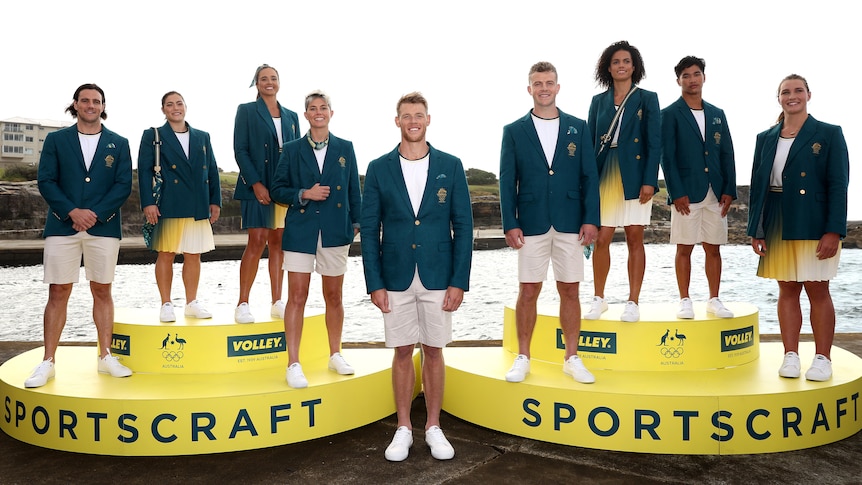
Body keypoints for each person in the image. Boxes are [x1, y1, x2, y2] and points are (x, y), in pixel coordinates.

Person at [361, 92, 472, 462]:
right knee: (403, 351)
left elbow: (463, 226)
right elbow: (369, 227)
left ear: (428, 120)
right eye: (406, 115)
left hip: (439, 275)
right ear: (397, 121)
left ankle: (434, 427)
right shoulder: (378, 168)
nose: (413, 121)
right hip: (394, 277)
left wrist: (459, 280)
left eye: (419, 115)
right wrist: (374, 283)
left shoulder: (451, 165)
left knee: (435, 350)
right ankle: (404, 428)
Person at [26, 83, 133, 388]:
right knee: (58, 292)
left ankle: (106, 356)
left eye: (96, 101)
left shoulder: (119, 143)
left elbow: (122, 185)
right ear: (75, 104)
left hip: (104, 226)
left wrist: (95, 214)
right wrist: (72, 211)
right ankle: (48, 361)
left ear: (103, 106)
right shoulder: (57, 140)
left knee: (102, 290)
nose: (90, 105)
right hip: (63, 225)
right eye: (84, 100)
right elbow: (46, 180)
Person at [499, 62, 600, 385]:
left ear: (558, 87)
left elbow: (590, 177)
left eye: (549, 82)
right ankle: (523, 356)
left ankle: (572, 357)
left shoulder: (578, 127)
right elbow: (506, 181)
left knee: (570, 289)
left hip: (571, 222)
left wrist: (591, 219)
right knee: (528, 290)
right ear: (529, 89)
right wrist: (510, 223)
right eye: (538, 83)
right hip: (530, 223)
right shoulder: (514, 131)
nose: (544, 88)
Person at [748, 74, 849, 381]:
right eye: (785, 92)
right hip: (777, 218)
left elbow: (838, 184)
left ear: (808, 94)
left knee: (817, 289)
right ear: (778, 98)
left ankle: (822, 358)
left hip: (814, 220)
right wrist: (757, 229)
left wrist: (834, 230)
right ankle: (790, 355)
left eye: (798, 90)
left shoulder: (829, 133)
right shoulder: (765, 138)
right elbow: (758, 186)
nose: (792, 96)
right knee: (787, 289)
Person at [270, 91, 361, 388]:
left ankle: (336, 354)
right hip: (301, 232)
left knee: (334, 296)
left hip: (336, 232)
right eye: (313, 108)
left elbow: (353, 192)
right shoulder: (292, 149)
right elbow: (277, 189)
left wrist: (356, 223)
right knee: (297, 297)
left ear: (331, 113)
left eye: (324, 108)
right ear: (306, 115)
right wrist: (304, 194)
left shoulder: (346, 148)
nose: (318, 112)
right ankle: (293, 363)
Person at [586, 40, 661, 323]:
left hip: (636, 173)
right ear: (608, 67)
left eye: (626, 61)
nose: (621, 66)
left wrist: (649, 181)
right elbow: (590, 142)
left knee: (634, 237)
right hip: (605, 172)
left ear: (634, 66)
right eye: (616, 61)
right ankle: (599, 298)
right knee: (601, 237)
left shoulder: (647, 98)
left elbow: (655, 143)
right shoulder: (597, 102)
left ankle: (633, 301)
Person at [660, 56, 736, 320]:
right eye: (686, 76)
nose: (692, 80)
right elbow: (666, 157)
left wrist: (729, 189)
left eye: (696, 74)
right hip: (686, 193)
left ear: (704, 76)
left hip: (716, 191)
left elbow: (727, 153)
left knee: (713, 247)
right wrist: (675, 192)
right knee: (684, 247)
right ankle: (685, 299)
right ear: (678, 80)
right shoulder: (669, 114)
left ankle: (714, 299)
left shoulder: (717, 114)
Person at [138, 91, 222, 322]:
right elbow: (144, 172)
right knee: (165, 253)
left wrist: (215, 201)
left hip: (197, 202)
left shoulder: (202, 136)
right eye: (169, 104)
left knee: (194, 254)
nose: (175, 108)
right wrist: (147, 203)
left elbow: (212, 169)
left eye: (179, 103)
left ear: (185, 106)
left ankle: (191, 302)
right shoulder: (153, 135)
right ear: (163, 109)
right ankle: (166, 303)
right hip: (168, 201)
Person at [233, 64, 301, 323]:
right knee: (256, 241)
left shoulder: (292, 116)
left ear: (279, 82)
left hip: (283, 187)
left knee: (278, 244)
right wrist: (256, 183)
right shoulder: (247, 111)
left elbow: (296, 153)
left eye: (273, 78)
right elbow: (240, 150)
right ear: (257, 83)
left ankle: (276, 302)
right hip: (257, 187)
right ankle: (242, 303)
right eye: (264, 79)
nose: (269, 82)